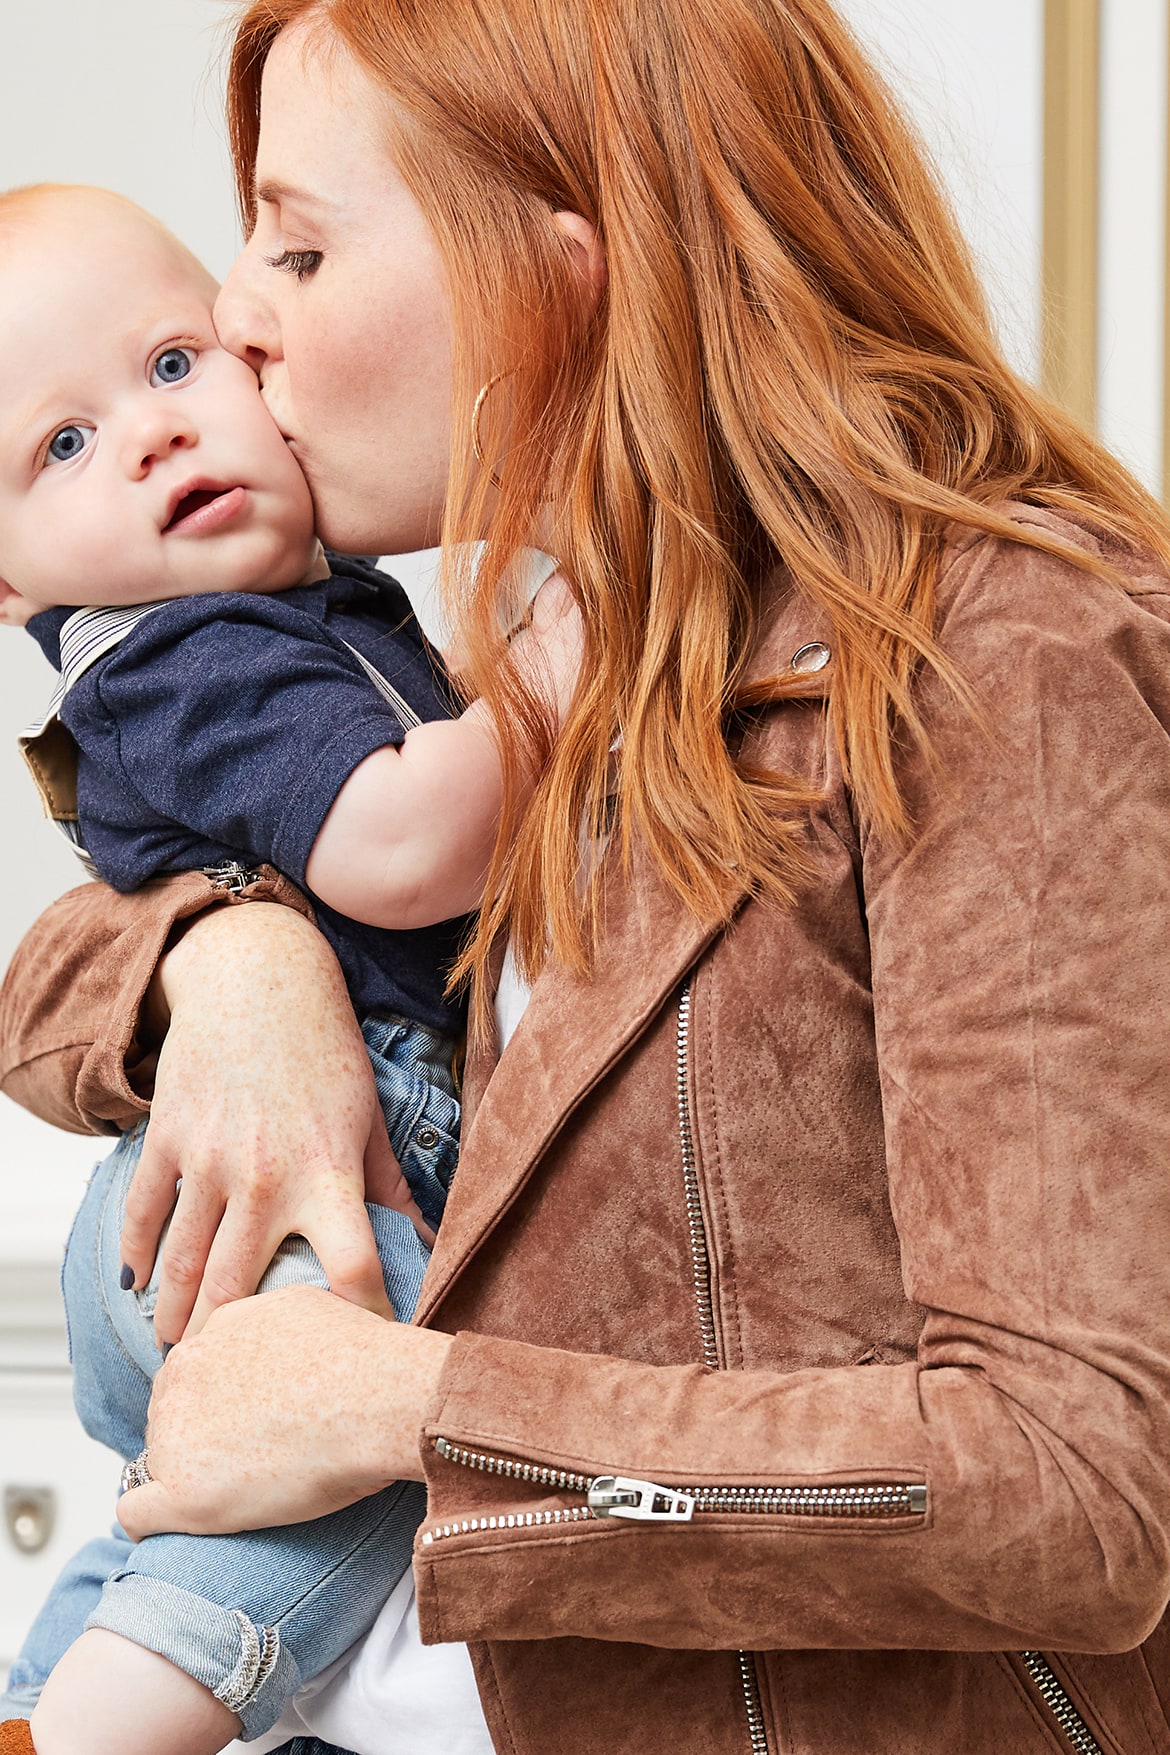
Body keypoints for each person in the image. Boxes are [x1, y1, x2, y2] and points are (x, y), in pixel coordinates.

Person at [3, 0, 1170, 1752]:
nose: (237, 321)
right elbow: (60, 968)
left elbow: (1068, 1495)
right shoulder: (551, 655)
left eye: (300, 248)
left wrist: (419, 1407)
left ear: (558, 277)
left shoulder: (995, 657)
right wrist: (235, 964)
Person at [0, 184, 576, 1753]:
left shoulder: (297, 611)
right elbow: (394, 847)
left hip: (202, 1197)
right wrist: (551, 675)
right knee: (364, 1466)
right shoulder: (199, 654)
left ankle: (47, 1705)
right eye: (59, 446)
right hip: (296, 1187)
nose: (147, 435)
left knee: (185, 1510)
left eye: (174, 364)